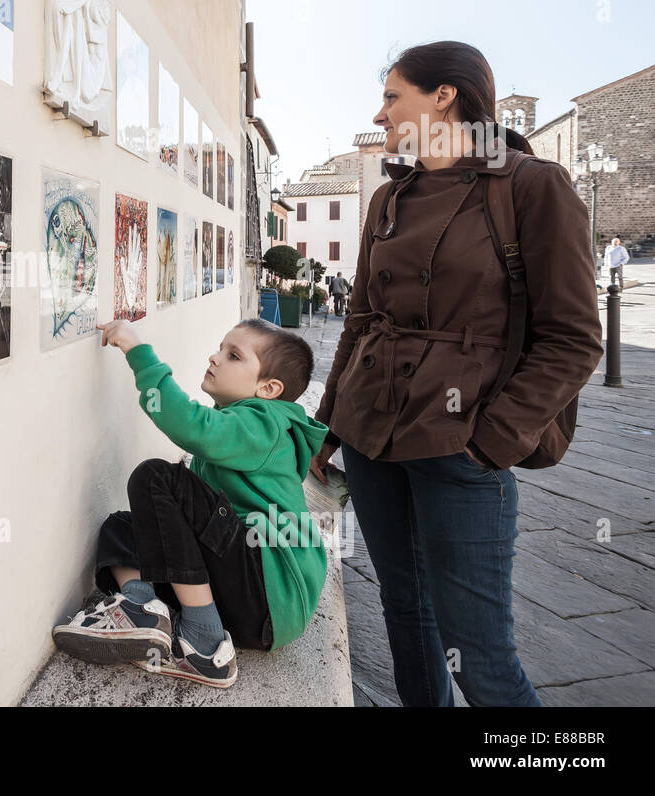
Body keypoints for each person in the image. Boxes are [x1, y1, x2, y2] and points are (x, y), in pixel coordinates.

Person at [308, 40, 603, 707]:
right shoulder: (388, 198)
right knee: (406, 622)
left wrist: (491, 440)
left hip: (460, 446)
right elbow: (359, 320)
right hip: (371, 438)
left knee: (482, 660)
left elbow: (575, 338)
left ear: (445, 96)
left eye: (392, 96)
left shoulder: (530, 186)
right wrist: (325, 426)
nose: (380, 114)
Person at [51, 317, 329, 689]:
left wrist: (138, 351)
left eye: (233, 356)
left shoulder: (266, 423)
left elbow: (189, 425)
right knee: (121, 526)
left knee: (156, 478)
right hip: (243, 598)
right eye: (219, 348)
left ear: (269, 388)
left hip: (265, 591)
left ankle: (204, 640)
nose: (214, 358)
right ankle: (142, 609)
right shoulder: (238, 425)